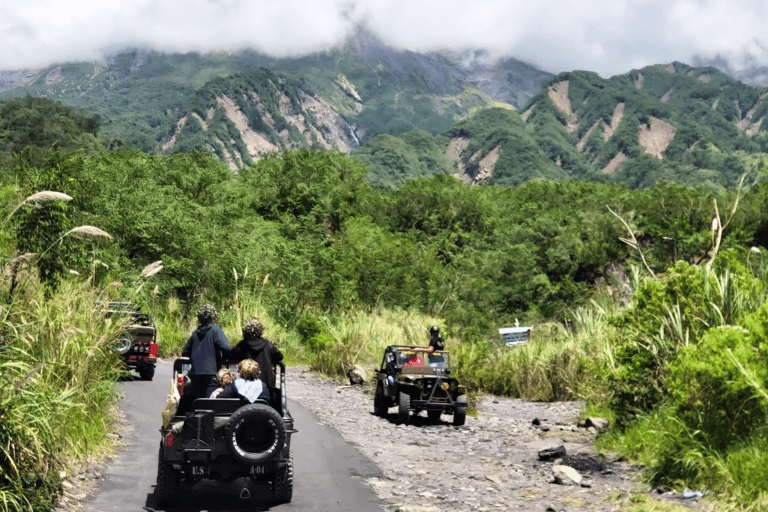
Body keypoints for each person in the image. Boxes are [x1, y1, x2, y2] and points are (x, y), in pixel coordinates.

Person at [182, 304, 230, 399]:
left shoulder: (196, 332)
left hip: (196, 374)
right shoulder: (216, 330)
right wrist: (223, 360)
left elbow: (185, 351)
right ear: (214, 317)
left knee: (197, 401)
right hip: (212, 374)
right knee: (209, 402)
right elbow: (226, 348)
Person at [228, 318, 283, 388]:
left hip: (248, 386)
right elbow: (279, 356)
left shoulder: (243, 345)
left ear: (245, 331)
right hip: (266, 385)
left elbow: (231, 355)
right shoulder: (267, 344)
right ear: (260, 330)